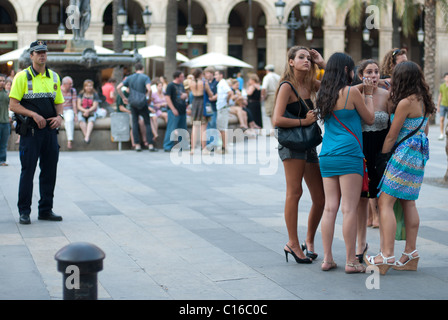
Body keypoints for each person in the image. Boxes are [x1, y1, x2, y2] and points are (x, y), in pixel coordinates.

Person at [365, 61, 435, 275]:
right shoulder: (423, 100)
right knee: (409, 202)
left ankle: (386, 255)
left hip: (402, 155)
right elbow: (425, 131)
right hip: (418, 156)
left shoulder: (405, 102)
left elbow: (392, 134)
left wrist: (382, 156)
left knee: (385, 202)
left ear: (402, 78)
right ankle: (410, 254)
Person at [316, 52, 375, 273]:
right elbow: (369, 118)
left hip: (327, 155)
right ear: (346, 71)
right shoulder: (351, 92)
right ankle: (351, 261)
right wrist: (368, 94)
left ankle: (327, 259)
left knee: (330, 208)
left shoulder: (323, 93)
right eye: (352, 69)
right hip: (350, 154)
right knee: (349, 209)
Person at [272, 46, 326, 266]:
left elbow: (338, 88)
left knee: (320, 197)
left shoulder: (310, 84)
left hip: (308, 144)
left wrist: (322, 63)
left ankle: (308, 240)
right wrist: (305, 121)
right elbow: (276, 120)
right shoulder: (287, 86)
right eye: (301, 57)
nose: (306, 60)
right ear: (291, 62)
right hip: (292, 144)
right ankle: (293, 243)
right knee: (295, 191)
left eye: (308, 58)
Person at [9, 40, 65, 224]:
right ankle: (24, 211)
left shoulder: (54, 77)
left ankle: (45, 210)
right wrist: (33, 114)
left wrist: (59, 117)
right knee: (28, 171)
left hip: (50, 132)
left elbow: (59, 102)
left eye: (44, 52)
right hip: (31, 133)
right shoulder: (22, 77)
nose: (42, 55)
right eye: (38, 52)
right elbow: (13, 105)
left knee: (50, 172)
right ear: (31, 55)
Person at [353, 60, 391, 263]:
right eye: (369, 72)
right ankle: (361, 244)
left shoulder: (387, 95)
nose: (374, 75)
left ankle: (386, 248)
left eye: (377, 71)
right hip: (361, 150)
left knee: (384, 200)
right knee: (361, 199)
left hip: (382, 152)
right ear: (361, 75)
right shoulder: (355, 95)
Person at [117, 62, 155, 152]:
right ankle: (150, 145)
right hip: (142, 102)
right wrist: (148, 98)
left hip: (133, 102)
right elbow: (149, 89)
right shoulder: (145, 77)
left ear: (135, 69)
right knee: (147, 123)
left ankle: (137, 144)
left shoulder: (129, 78)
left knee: (134, 123)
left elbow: (118, 87)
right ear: (143, 69)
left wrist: (123, 98)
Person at [188, 68, 213, 154]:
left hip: (195, 103)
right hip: (202, 103)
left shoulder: (190, 82)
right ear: (200, 74)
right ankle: (204, 148)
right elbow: (210, 94)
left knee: (194, 127)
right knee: (203, 128)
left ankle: (192, 148)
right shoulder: (203, 82)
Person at [163, 70, 188, 152]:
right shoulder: (170, 85)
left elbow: (183, 95)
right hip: (174, 110)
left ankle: (183, 145)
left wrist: (185, 96)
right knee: (171, 128)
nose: (183, 78)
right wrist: (173, 109)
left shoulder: (181, 85)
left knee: (183, 128)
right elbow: (167, 98)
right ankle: (167, 146)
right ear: (177, 77)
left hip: (182, 110)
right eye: (182, 76)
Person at [215, 69, 233, 154]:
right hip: (222, 107)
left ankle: (224, 148)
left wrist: (227, 101)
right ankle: (223, 146)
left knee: (222, 128)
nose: (215, 76)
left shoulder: (223, 83)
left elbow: (230, 92)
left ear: (221, 75)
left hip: (223, 108)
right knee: (221, 128)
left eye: (216, 74)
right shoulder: (221, 83)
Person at [77, 79, 99, 144]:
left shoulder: (95, 94)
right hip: (82, 111)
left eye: (90, 86)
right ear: (84, 87)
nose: (89, 87)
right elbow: (78, 105)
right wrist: (84, 111)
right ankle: (86, 136)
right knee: (81, 121)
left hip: (91, 111)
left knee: (91, 121)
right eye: (87, 86)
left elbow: (95, 105)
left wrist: (88, 111)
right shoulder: (81, 94)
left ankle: (86, 137)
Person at [261, 64, 280, 131]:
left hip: (270, 96)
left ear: (267, 70)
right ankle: (277, 128)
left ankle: (274, 129)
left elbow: (264, 88)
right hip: (278, 95)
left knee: (271, 113)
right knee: (277, 112)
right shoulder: (278, 76)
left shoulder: (267, 77)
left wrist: (262, 96)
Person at [60, 76, 77, 149]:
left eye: (71, 84)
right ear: (64, 84)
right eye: (70, 84)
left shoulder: (73, 90)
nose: (71, 85)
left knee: (69, 121)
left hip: (68, 110)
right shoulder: (58, 90)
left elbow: (74, 103)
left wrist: (75, 114)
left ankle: (69, 140)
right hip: (60, 109)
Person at [204, 67, 218, 148]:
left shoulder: (216, 83)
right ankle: (209, 142)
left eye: (207, 73)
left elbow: (217, 93)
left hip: (213, 106)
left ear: (212, 73)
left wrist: (213, 97)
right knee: (208, 124)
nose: (206, 75)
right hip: (207, 107)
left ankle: (214, 143)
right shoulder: (206, 83)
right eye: (205, 73)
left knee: (213, 124)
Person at [0, 74, 10, 166]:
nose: (2, 83)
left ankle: (2, 160)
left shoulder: (7, 94)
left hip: (6, 122)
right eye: (0, 81)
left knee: (4, 144)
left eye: (3, 81)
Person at [437, 72, 448, 140]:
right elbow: (440, 96)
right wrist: (438, 106)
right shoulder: (442, 86)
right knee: (441, 119)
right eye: (446, 77)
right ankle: (441, 134)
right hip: (443, 105)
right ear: (444, 78)